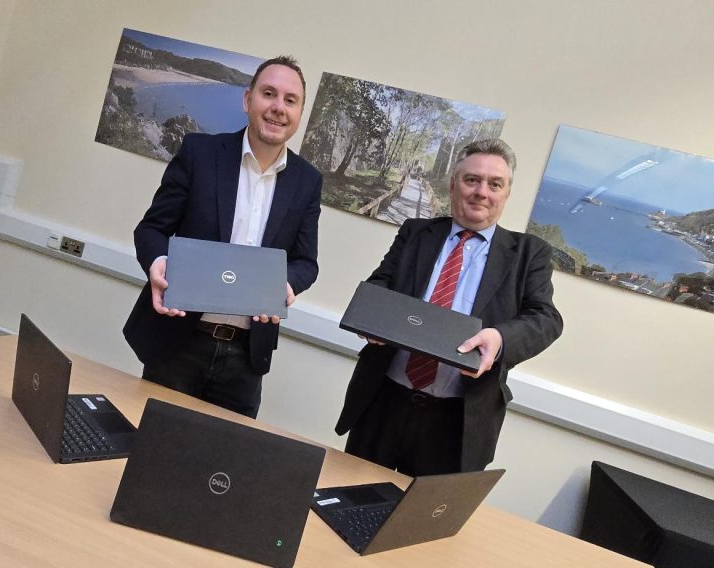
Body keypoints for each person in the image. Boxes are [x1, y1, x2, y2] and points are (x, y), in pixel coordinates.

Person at [335, 138, 562, 474]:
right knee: (348, 505)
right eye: (472, 180)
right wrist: (374, 321)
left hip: (457, 422)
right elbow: (379, 284)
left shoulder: (530, 254)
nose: (481, 192)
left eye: (494, 184)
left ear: (506, 193)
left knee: (423, 525)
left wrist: (499, 340)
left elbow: (546, 318)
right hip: (382, 403)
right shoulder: (416, 233)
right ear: (454, 185)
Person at [123, 56, 322, 419]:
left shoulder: (307, 181)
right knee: (154, 455)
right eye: (269, 94)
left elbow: (306, 262)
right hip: (178, 342)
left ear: (299, 113)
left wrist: (288, 285)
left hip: (246, 358)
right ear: (248, 100)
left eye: (290, 100)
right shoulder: (200, 153)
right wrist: (157, 263)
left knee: (222, 468)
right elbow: (151, 229)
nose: (278, 107)